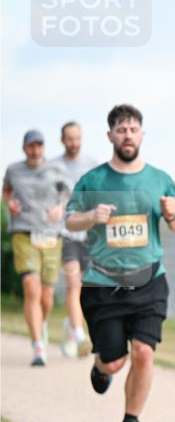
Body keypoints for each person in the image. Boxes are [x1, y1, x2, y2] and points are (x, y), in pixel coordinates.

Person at [65, 104, 175, 422]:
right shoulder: (93, 180)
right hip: (104, 285)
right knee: (115, 363)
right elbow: (69, 220)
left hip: (150, 280)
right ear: (110, 136)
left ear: (142, 135)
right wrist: (91, 215)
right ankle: (102, 366)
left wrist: (170, 214)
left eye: (133, 129)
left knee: (144, 352)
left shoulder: (159, 180)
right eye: (121, 130)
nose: (128, 135)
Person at [3, 129, 72, 366]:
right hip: (23, 232)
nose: (35, 150)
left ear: (44, 148)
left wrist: (60, 208)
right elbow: (6, 190)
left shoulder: (56, 169)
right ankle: (38, 347)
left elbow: (67, 193)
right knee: (31, 288)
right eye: (31, 146)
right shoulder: (13, 170)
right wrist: (9, 202)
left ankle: (41, 323)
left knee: (46, 295)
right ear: (24, 148)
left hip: (51, 234)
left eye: (39, 146)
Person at [51, 121, 99, 357]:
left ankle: (72, 325)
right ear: (62, 140)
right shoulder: (53, 167)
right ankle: (80, 336)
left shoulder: (93, 165)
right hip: (66, 233)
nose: (74, 143)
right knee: (73, 283)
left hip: (89, 234)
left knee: (89, 287)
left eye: (77, 138)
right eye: (69, 138)